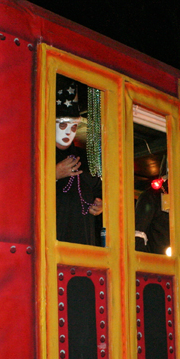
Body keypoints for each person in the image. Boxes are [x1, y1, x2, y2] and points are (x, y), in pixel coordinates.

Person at [54, 76, 103, 245]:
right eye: (62, 125)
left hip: (84, 246)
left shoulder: (83, 159)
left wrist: (101, 204)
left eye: (73, 126)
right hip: (54, 245)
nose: (69, 131)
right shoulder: (37, 155)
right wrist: (53, 175)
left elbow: (101, 188)